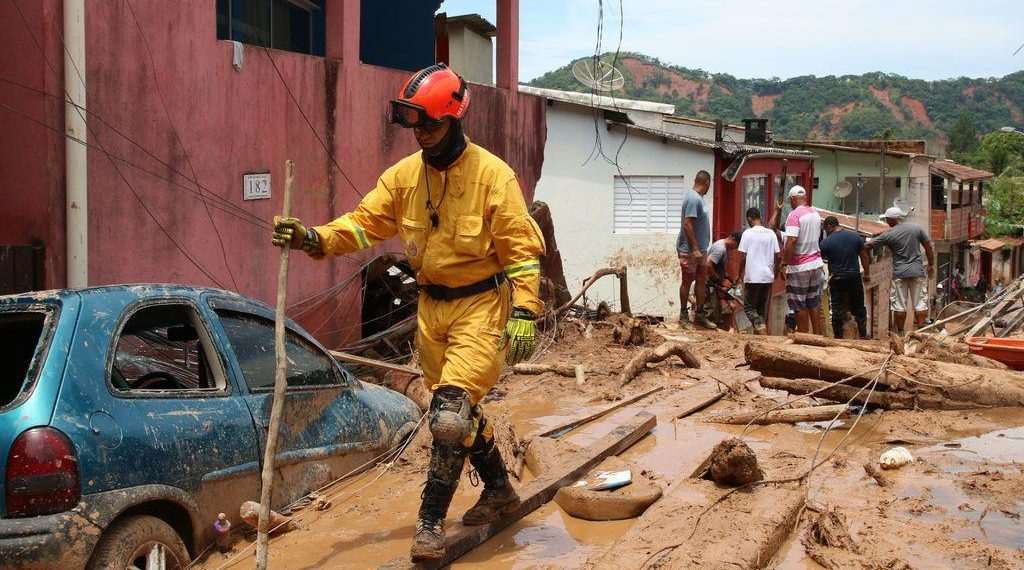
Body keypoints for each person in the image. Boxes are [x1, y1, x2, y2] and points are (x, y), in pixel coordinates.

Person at [271, 64, 545, 562]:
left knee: (447, 417)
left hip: (481, 307)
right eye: (415, 126)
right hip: (431, 313)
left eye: (430, 126)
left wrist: (525, 307)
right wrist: (314, 238)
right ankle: (501, 489)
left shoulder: (493, 177)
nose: (421, 135)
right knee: (458, 412)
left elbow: (522, 252)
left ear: (455, 119)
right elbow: (361, 226)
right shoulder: (402, 179)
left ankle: (428, 524)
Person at [869, 206, 935, 334]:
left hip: (899, 273)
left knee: (899, 305)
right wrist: (931, 265)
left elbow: (868, 245)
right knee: (920, 303)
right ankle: (921, 331)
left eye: (887, 219)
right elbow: (928, 247)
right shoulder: (916, 228)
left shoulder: (888, 234)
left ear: (892, 220)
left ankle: (900, 333)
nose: (887, 222)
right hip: (917, 271)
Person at [781, 186, 825, 333]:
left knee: (799, 304)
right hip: (816, 264)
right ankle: (817, 336)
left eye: (790, 201)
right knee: (813, 303)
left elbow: (792, 240)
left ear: (793, 199)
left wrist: (784, 262)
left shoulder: (794, 215)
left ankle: (805, 338)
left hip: (800, 266)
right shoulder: (815, 213)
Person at [819, 216, 870, 339]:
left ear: (829, 226)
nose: (826, 233)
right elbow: (864, 256)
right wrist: (867, 273)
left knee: (837, 308)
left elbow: (819, 260)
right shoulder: (855, 237)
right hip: (854, 276)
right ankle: (863, 334)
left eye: (826, 230)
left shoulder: (826, 243)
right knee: (859, 306)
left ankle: (838, 338)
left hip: (837, 278)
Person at [676, 170, 716, 329]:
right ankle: (683, 315)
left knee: (701, 280)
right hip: (690, 250)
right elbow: (687, 224)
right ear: (707, 183)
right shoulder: (693, 198)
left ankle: (700, 314)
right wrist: (694, 248)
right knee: (687, 281)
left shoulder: (698, 198)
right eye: (709, 185)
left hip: (701, 249)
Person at [738, 208, 780, 334]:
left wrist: (739, 274)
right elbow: (778, 256)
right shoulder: (771, 234)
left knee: (749, 308)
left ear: (749, 218)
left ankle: (760, 328)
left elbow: (743, 257)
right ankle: (761, 340)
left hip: (753, 276)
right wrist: (776, 271)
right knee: (761, 309)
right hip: (767, 276)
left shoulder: (747, 233)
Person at [704, 232, 743, 329]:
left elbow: (718, 267)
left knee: (730, 301)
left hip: (716, 282)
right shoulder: (720, 248)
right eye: (737, 245)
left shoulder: (724, 249)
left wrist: (727, 277)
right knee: (711, 310)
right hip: (710, 283)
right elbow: (708, 265)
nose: (736, 248)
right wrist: (720, 281)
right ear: (732, 239)